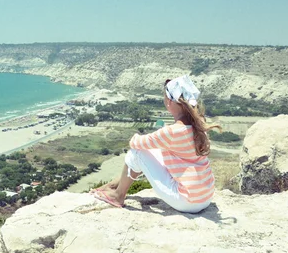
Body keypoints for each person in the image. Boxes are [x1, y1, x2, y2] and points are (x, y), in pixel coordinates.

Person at [91, 75, 221, 213]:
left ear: (169, 102)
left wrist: (137, 136)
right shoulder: (199, 125)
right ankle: (114, 186)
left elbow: (135, 143)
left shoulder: (172, 132)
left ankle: (117, 196)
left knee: (137, 153)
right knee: (155, 151)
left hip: (186, 201)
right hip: (205, 197)